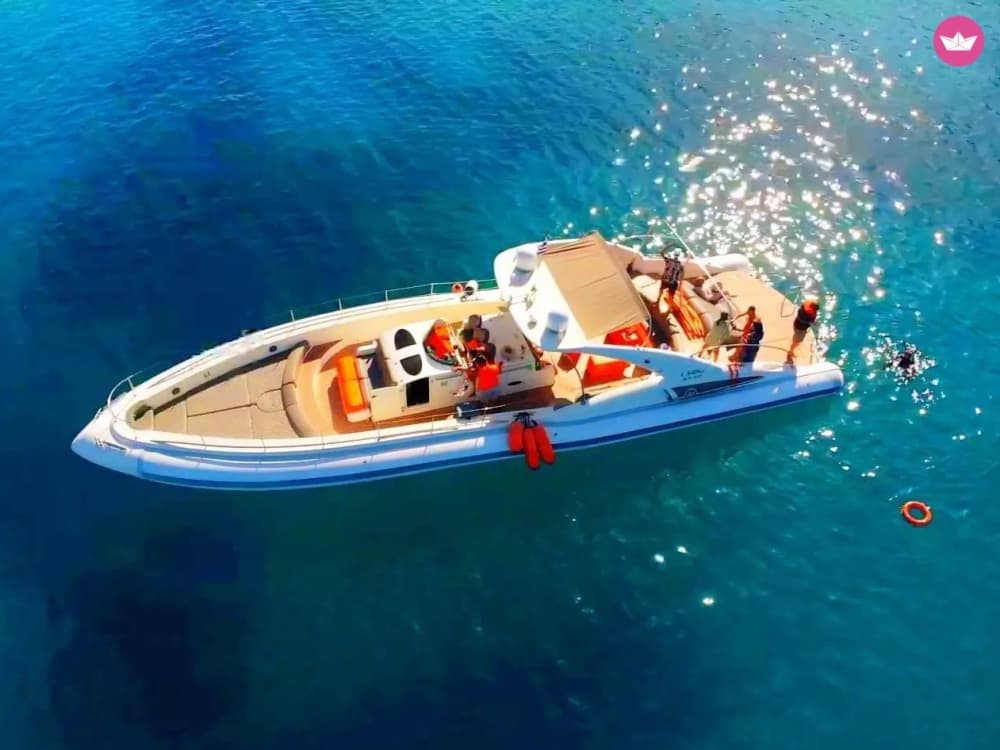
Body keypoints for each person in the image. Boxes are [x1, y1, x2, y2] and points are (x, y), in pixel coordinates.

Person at [786, 297, 818, 364]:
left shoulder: (803, 309)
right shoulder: (805, 315)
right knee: (797, 341)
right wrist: (812, 322)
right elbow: (804, 320)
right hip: (800, 329)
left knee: (797, 339)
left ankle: (792, 348)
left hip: (798, 325)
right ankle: (790, 352)